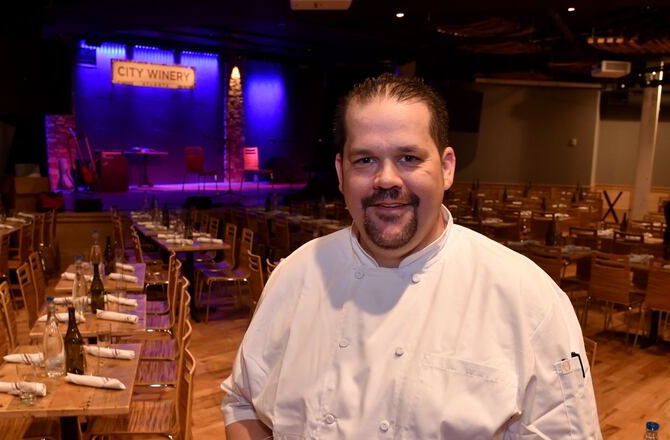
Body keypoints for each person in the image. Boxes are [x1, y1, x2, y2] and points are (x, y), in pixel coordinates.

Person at [221, 73, 601, 439]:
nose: (387, 180)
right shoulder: (295, 275)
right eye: (365, 160)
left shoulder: (528, 297)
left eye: (408, 158)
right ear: (340, 172)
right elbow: (243, 402)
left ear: (446, 167)